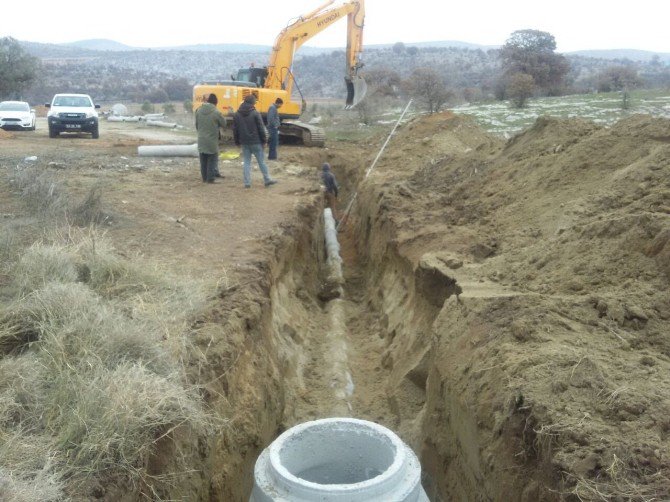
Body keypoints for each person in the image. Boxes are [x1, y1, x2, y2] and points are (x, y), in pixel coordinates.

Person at [233, 94, 277, 188]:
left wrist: (237, 142)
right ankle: (267, 180)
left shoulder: (237, 114)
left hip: (244, 142)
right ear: (252, 103)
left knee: (246, 162)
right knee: (261, 162)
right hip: (256, 142)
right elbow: (261, 128)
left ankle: (247, 183)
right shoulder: (255, 113)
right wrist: (264, 141)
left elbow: (235, 129)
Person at [195, 93, 226, 183]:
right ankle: (210, 179)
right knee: (212, 159)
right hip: (212, 140)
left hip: (201, 138)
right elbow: (224, 124)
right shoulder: (216, 112)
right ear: (215, 103)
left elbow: (196, 125)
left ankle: (204, 178)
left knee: (203, 160)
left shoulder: (198, 111)